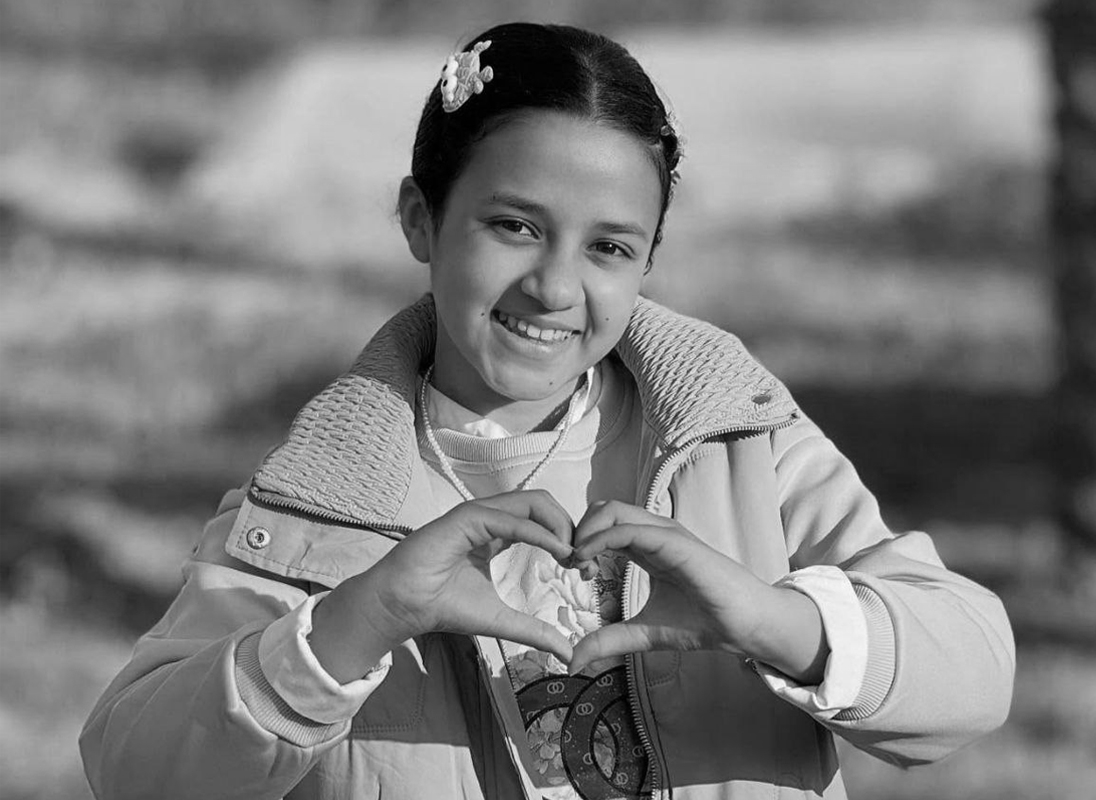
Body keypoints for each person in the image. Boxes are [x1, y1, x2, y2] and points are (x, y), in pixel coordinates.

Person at [79, 22, 1014, 800]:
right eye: (514, 226)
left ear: (647, 260)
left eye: (609, 247)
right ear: (420, 219)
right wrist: (362, 618)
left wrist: (772, 620)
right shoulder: (317, 504)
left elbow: (973, 675)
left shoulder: (734, 440)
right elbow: (134, 770)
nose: (556, 287)